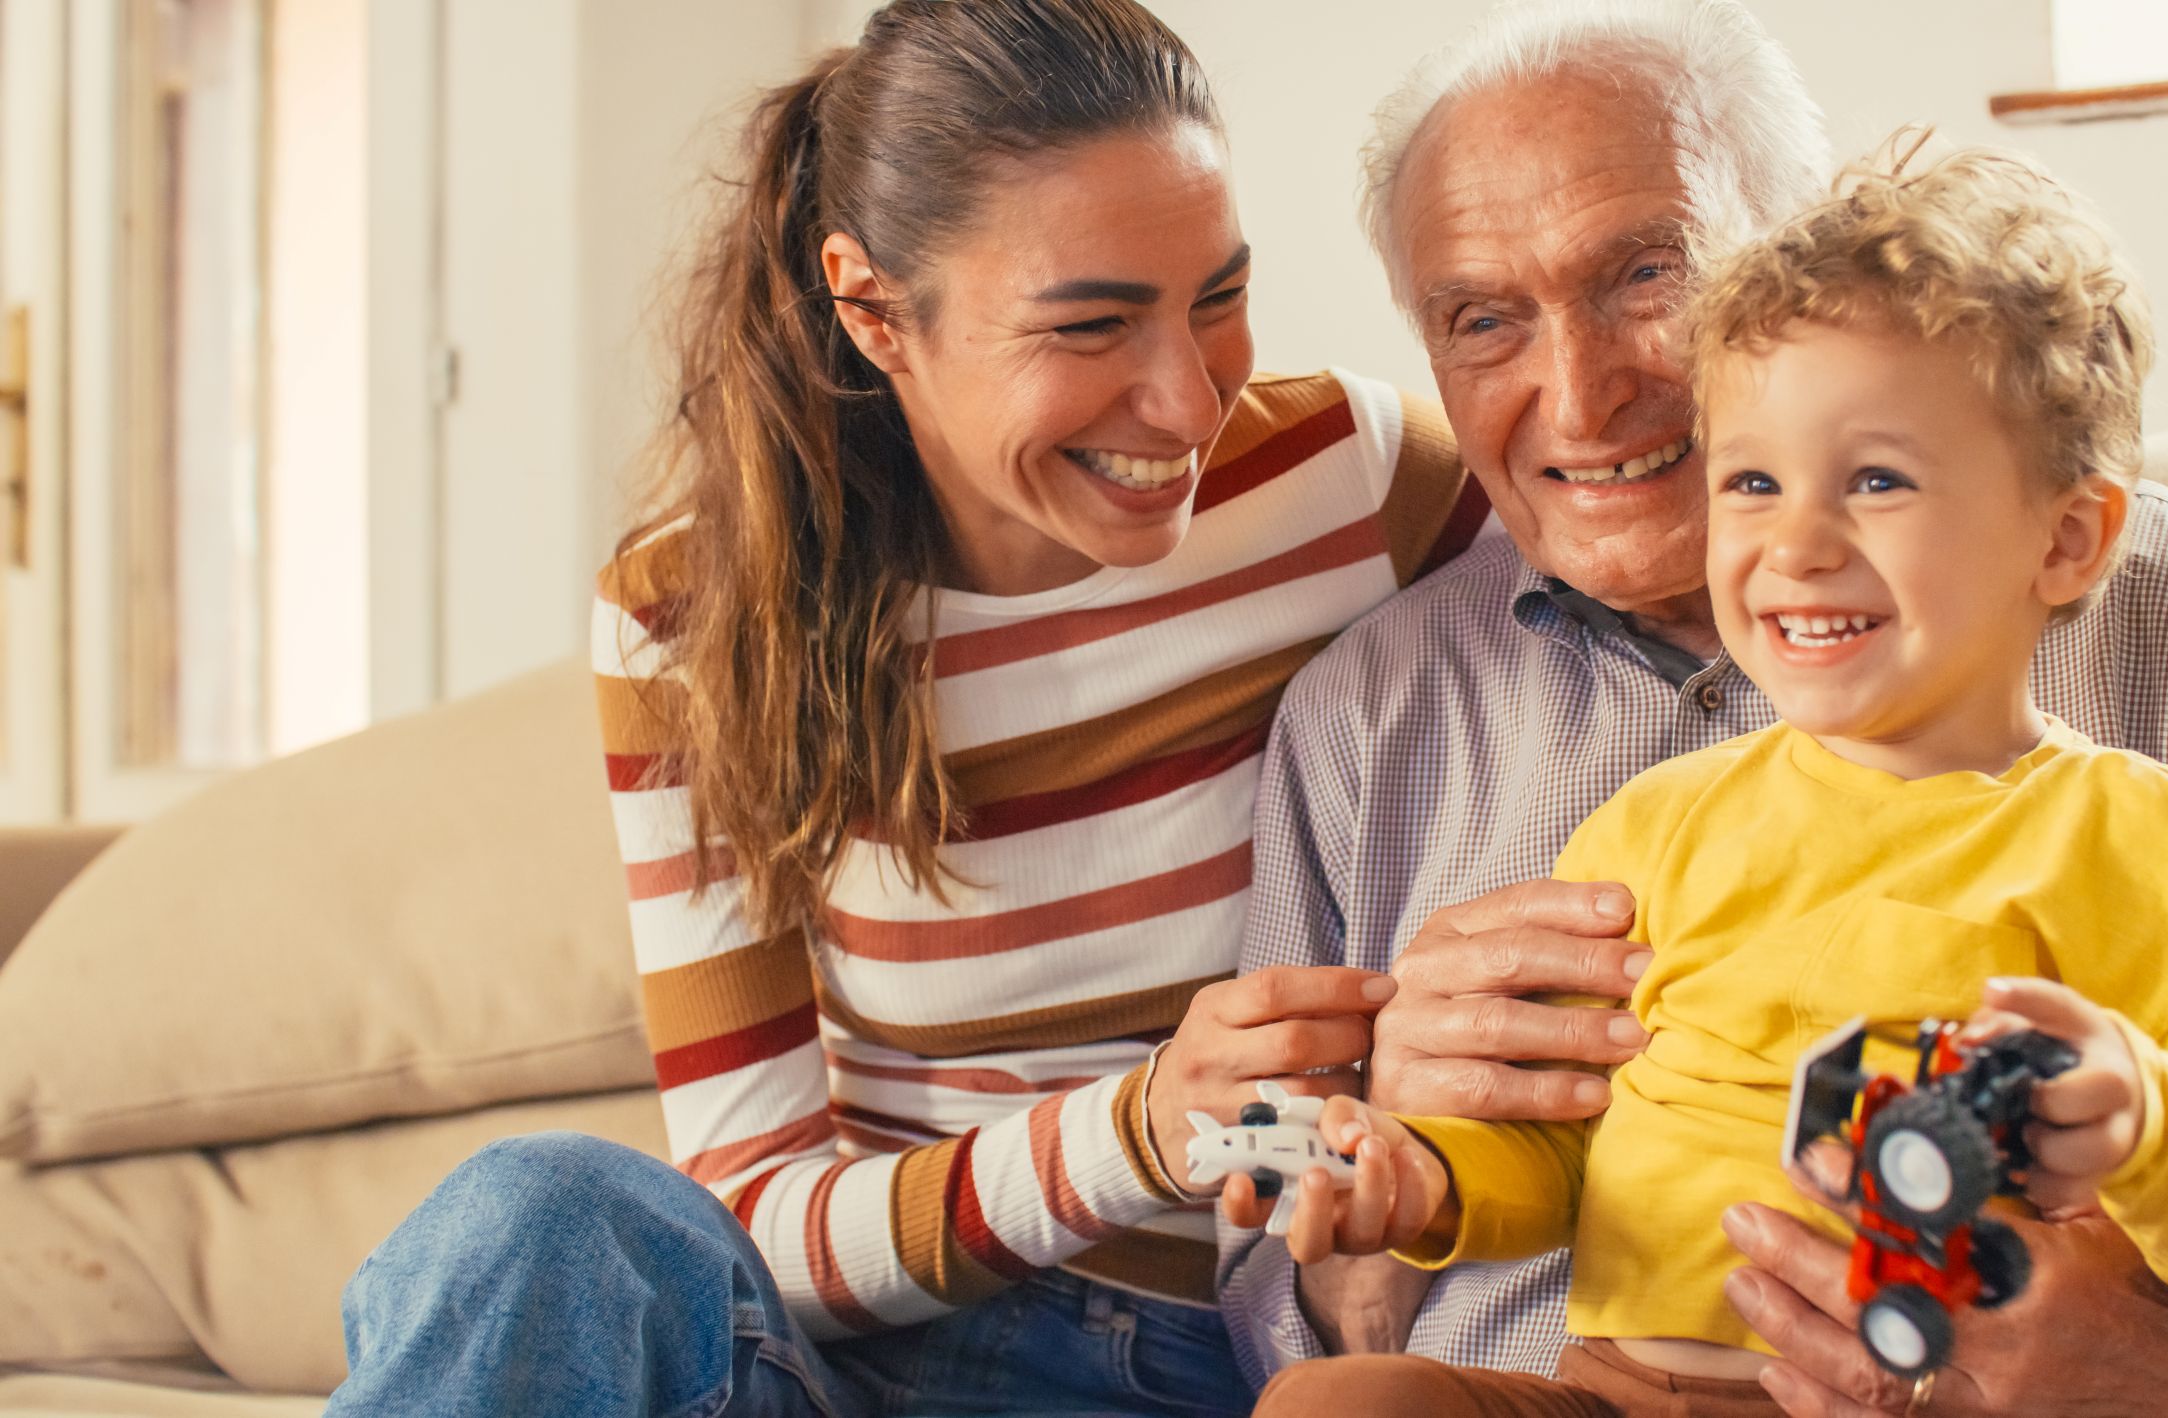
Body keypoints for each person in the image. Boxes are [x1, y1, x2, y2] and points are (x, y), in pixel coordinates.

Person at [1216, 3, 2168, 1415]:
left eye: (1647, 271)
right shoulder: (1370, 715)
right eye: (1483, 318)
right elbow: (1264, 1287)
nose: (1583, 394)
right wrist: (1393, 1159)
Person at [323, 3, 1482, 1415]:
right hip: (860, 1364)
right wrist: (1130, 1131)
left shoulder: (1357, 482)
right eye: (1093, 323)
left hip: (1221, 1361)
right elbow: (752, 1205)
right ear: (876, 310)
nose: (1186, 400)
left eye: (1219, 296)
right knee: (535, 1207)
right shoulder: (691, 616)